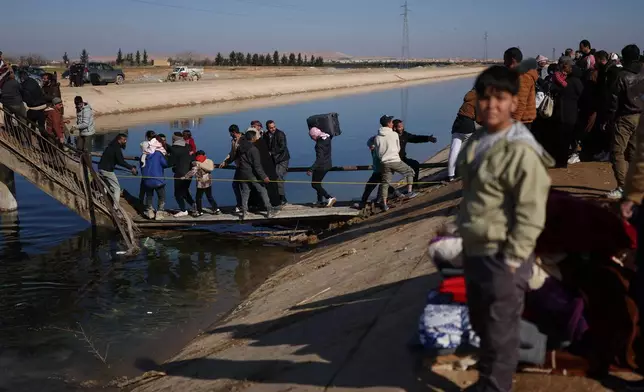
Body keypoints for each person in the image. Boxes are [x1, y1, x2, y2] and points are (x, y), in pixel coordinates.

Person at [457, 65, 553, 392]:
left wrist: (514, 260)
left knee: (501, 332)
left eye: (500, 98)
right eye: (485, 98)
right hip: (475, 250)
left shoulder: (520, 149)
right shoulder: (479, 140)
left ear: (514, 102)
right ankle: (487, 380)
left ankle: (496, 387)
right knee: (482, 324)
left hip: (503, 257)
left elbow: (531, 212)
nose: (491, 105)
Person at [605, 44, 644, 199]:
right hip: (641, 116)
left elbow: (614, 101)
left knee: (617, 152)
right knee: (635, 153)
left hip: (625, 117)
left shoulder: (622, 76)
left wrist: (610, 119)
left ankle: (623, 187)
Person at [374, 115, 416, 211]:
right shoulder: (394, 134)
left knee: (385, 183)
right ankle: (409, 192)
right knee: (410, 172)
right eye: (391, 122)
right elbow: (398, 148)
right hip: (394, 160)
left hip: (384, 162)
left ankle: (384, 204)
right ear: (388, 124)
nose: (392, 123)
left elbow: (377, 152)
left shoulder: (377, 137)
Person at [548, 57, 584, 168]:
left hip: (568, 113)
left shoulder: (572, 80)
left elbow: (581, 96)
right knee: (563, 138)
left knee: (564, 138)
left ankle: (561, 161)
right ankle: (561, 160)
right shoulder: (570, 79)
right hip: (566, 112)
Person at [235, 132, 276, 220]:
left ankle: (244, 213)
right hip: (251, 174)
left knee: (245, 193)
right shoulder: (253, 149)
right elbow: (257, 166)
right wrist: (264, 177)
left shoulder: (240, 147)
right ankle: (269, 210)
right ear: (253, 138)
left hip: (242, 174)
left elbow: (236, 160)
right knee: (262, 190)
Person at [355, 136, 402, 209]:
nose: (370, 148)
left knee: (378, 186)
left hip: (383, 171)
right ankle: (396, 194)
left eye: (371, 146)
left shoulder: (382, 151)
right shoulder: (373, 150)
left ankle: (375, 202)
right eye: (369, 146)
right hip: (376, 171)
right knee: (370, 186)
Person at [98, 134, 137, 208]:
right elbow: (121, 161)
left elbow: (117, 160)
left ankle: (101, 198)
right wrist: (131, 168)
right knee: (117, 188)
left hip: (101, 168)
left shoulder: (111, 145)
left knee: (107, 185)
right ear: (119, 140)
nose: (125, 142)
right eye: (124, 140)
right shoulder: (116, 148)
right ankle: (116, 208)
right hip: (107, 170)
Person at [392, 119, 437, 184]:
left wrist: (427, 138)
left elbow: (415, 138)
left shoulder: (404, 134)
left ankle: (414, 185)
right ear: (395, 128)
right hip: (392, 160)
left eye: (402, 126)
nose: (402, 128)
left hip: (402, 159)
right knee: (381, 178)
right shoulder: (391, 136)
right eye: (400, 127)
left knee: (415, 164)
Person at [447, 89, 478, 181]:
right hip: (468, 124)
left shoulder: (468, 99)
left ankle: (451, 175)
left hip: (457, 123)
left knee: (454, 150)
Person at [504, 47, 538, 130]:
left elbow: (520, 102)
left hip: (521, 122)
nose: (504, 63)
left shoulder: (522, 76)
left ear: (512, 60)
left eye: (505, 60)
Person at [249, 128, 281, 209]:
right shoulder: (261, 143)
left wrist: (263, 175)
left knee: (264, 189)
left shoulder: (255, 147)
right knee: (271, 188)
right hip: (269, 170)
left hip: (264, 171)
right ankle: (275, 204)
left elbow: (257, 163)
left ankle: (267, 205)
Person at [184, 150, 221, 217]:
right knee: (209, 196)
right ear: (204, 155)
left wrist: (185, 177)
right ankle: (216, 209)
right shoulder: (208, 162)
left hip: (201, 184)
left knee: (198, 198)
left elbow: (192, 172)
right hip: (208, 182)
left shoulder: (197, 164)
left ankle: (199, 211)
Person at [307, 127, 336, 207]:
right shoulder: (327, 138)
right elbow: (331, 133)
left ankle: (329, 197)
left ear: (314, 136)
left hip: (321, 166)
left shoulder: (318, 145)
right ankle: (319, 201)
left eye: (312, 137)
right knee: (318, 183)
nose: (312, 139)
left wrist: (311, 169)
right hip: (328, 164)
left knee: (315, 184)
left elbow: (320, 159)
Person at [263, 119, 290, 205]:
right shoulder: (266, 135)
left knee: (278, 175)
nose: (273, 129)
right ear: (267, 128)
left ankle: (282, 197)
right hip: (273, 160)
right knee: (272, 176)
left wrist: (272, 152)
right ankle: (276, 198)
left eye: (274, 127)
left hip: (282, 158)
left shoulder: (280, 134)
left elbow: (283, 147)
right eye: (271, 128)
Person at [168, 133, 195, 217]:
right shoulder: (188, 146)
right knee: (185, 191)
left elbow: (169, 163)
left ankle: (183, 210)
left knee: (177, 194)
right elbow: (192, 157)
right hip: (190, 173)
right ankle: (194, 206)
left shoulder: (174, 149)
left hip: (180, 174)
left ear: (174, 140)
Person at [140, 139, 168, 220]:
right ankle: (159, 213)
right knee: (161, 197)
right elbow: (165, 164)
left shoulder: (142, 156)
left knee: (149, 196)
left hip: (147, 181)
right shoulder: (157, 154)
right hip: (158, 180)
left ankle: (150, 212)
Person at [220, 124, 244, 212]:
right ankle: (241, 204)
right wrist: (225, 161)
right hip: (238, 166)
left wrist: (227, 161)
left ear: (233, 132)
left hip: (244, 167)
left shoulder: (243, 140)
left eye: (230, 133)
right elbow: (231, 153)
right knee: (237, 185)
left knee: (241, 186)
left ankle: (242, 205)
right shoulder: (233, 141)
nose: (230, 135)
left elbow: (235, 155)